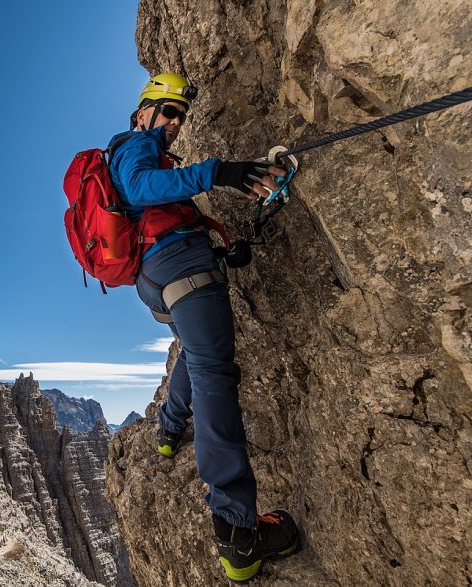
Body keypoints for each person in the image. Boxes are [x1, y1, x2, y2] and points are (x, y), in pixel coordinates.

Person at [107, 72, 300, 582]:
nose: (173, 123)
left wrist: (221, 249)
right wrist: (217, 172)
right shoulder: (134, 145)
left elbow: (154, 209)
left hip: (159, 275)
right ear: (143, 109)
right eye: (167, 110)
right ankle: (238, 533)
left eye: (180, 116)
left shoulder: (143, 150)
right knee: (215, 374)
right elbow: (138, 187)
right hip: (178, 264)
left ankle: (169, 432)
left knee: (194, 354)